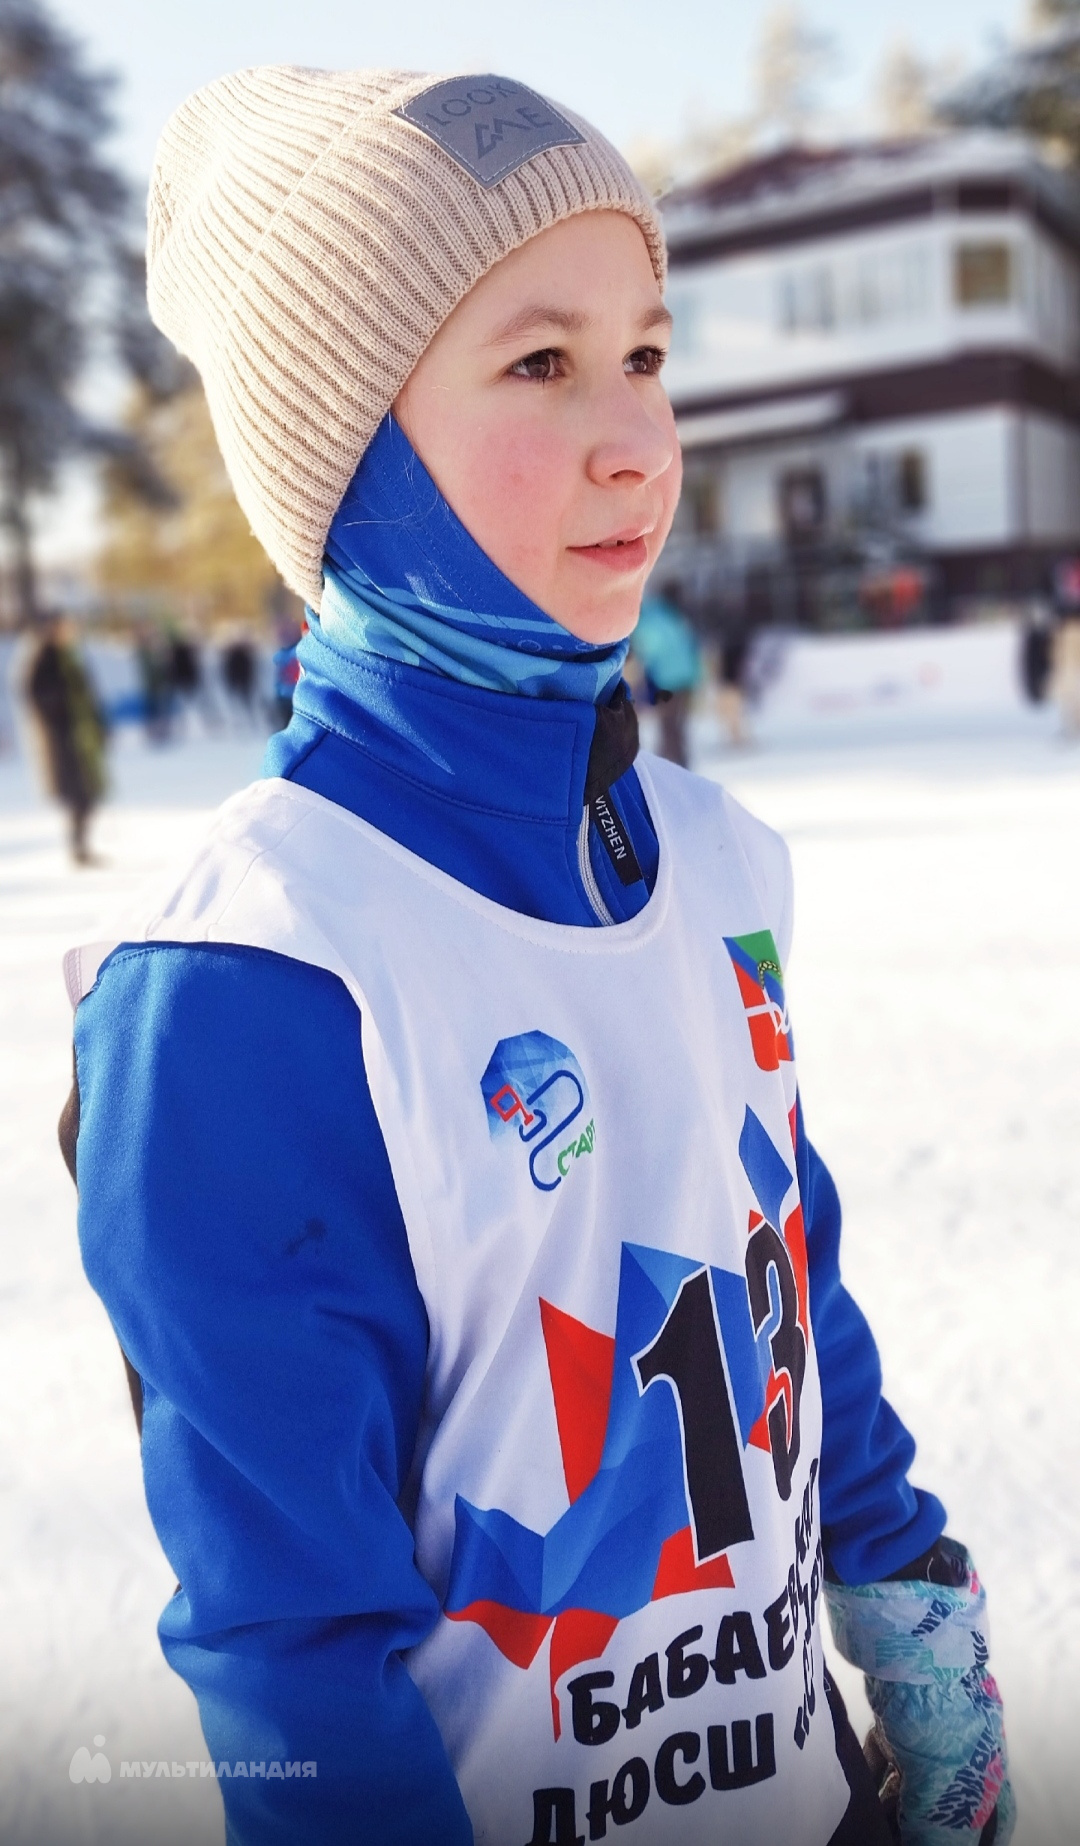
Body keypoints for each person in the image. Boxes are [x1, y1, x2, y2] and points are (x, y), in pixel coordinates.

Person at [62, 68, 1013, 1846]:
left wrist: (903, 1589)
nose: (637, 436)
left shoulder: (715, 861)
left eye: (645, 354)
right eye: (540, 364)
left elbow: (781, 1269)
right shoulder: (258, 981)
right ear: (353, 452)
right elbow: (295, 1649)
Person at [25, 614, 106, 864]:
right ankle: (78, 848)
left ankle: (81, 847)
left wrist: (100, 725)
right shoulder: (42, 659)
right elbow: (35, 696)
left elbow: (88, 695)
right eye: (64, 628)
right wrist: (60, 711)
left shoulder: (71, 657)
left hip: (83, 736)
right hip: (63, 739)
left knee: (89, 793)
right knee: (78, 795)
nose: (69, 632)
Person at [630, 582, 701, 766]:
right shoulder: (670, 614)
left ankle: (670, 764)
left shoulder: (647, 622)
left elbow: (649, 650)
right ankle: (677, 762)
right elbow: (688, 642)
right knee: (676, 723)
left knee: (668, 723)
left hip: (667, 679)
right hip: (686, 675)